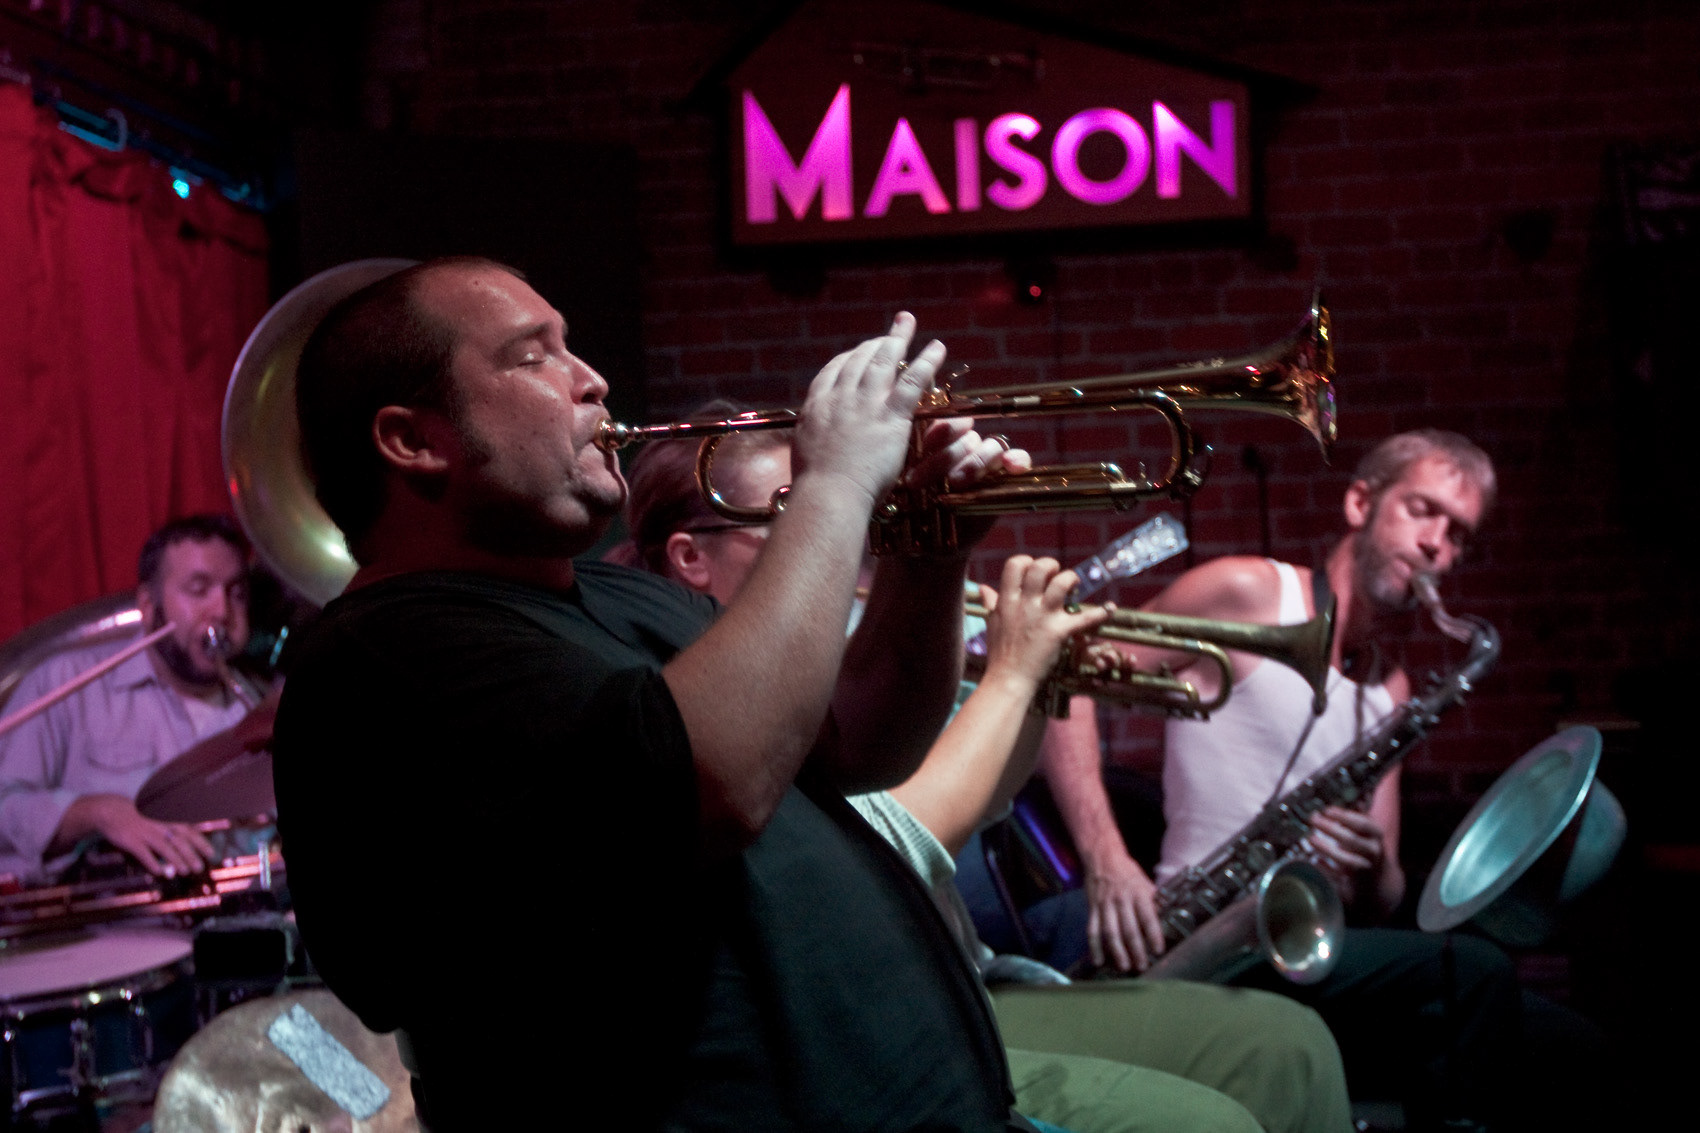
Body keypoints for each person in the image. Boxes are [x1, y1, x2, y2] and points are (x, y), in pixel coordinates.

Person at [274, 256, 1058, 1131]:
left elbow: (859, 739)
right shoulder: (382, 657)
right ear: (413, 440)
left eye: (570, 345)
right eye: (533, 356)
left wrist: (929, 551)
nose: (592, 379)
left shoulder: (620, 594)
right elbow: (711, 781)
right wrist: (834, 482)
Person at [623, 425, 1354, 1133]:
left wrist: (1044, 682)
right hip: (884, 1020)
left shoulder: (842, 643)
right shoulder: (704, 695)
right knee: (1218, 1112)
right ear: (691, 557)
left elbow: (988, 796)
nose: (838, 532)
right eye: (793, 512)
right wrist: (1012, 673)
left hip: (965, 974)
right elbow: (898, 842)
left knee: (1294, 1044)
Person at [1034, 431, 1607, 1131]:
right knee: (1476, 974)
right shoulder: (1247, 592)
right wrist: (1106, 860)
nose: (1437, 544)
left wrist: (1371, 863)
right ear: (1361, 502)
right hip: (1201, 940)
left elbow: (1385, 894)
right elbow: (1065, 680)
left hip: (1300, 947)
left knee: (1573, 1045)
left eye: (1459, 534)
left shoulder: (1393, 688)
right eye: (1422, 510)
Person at [0, 514, 260, 882]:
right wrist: (97, 813)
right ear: (149, 604)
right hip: (102, 912)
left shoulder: (261, 705)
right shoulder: (65, 683)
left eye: (236, 593)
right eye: (199, 589)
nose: (222, 612)